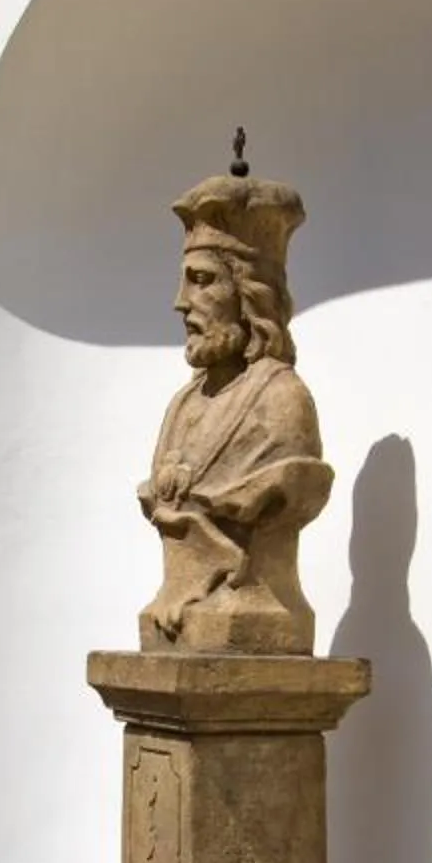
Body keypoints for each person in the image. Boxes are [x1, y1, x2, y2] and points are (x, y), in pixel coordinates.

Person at [138, 161, 333, 652]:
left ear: (250, 294)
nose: (181, 303)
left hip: (257, 613)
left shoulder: (282, 402)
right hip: (178, 627)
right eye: (185, 281)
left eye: (202, 280)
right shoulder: (182, 406)